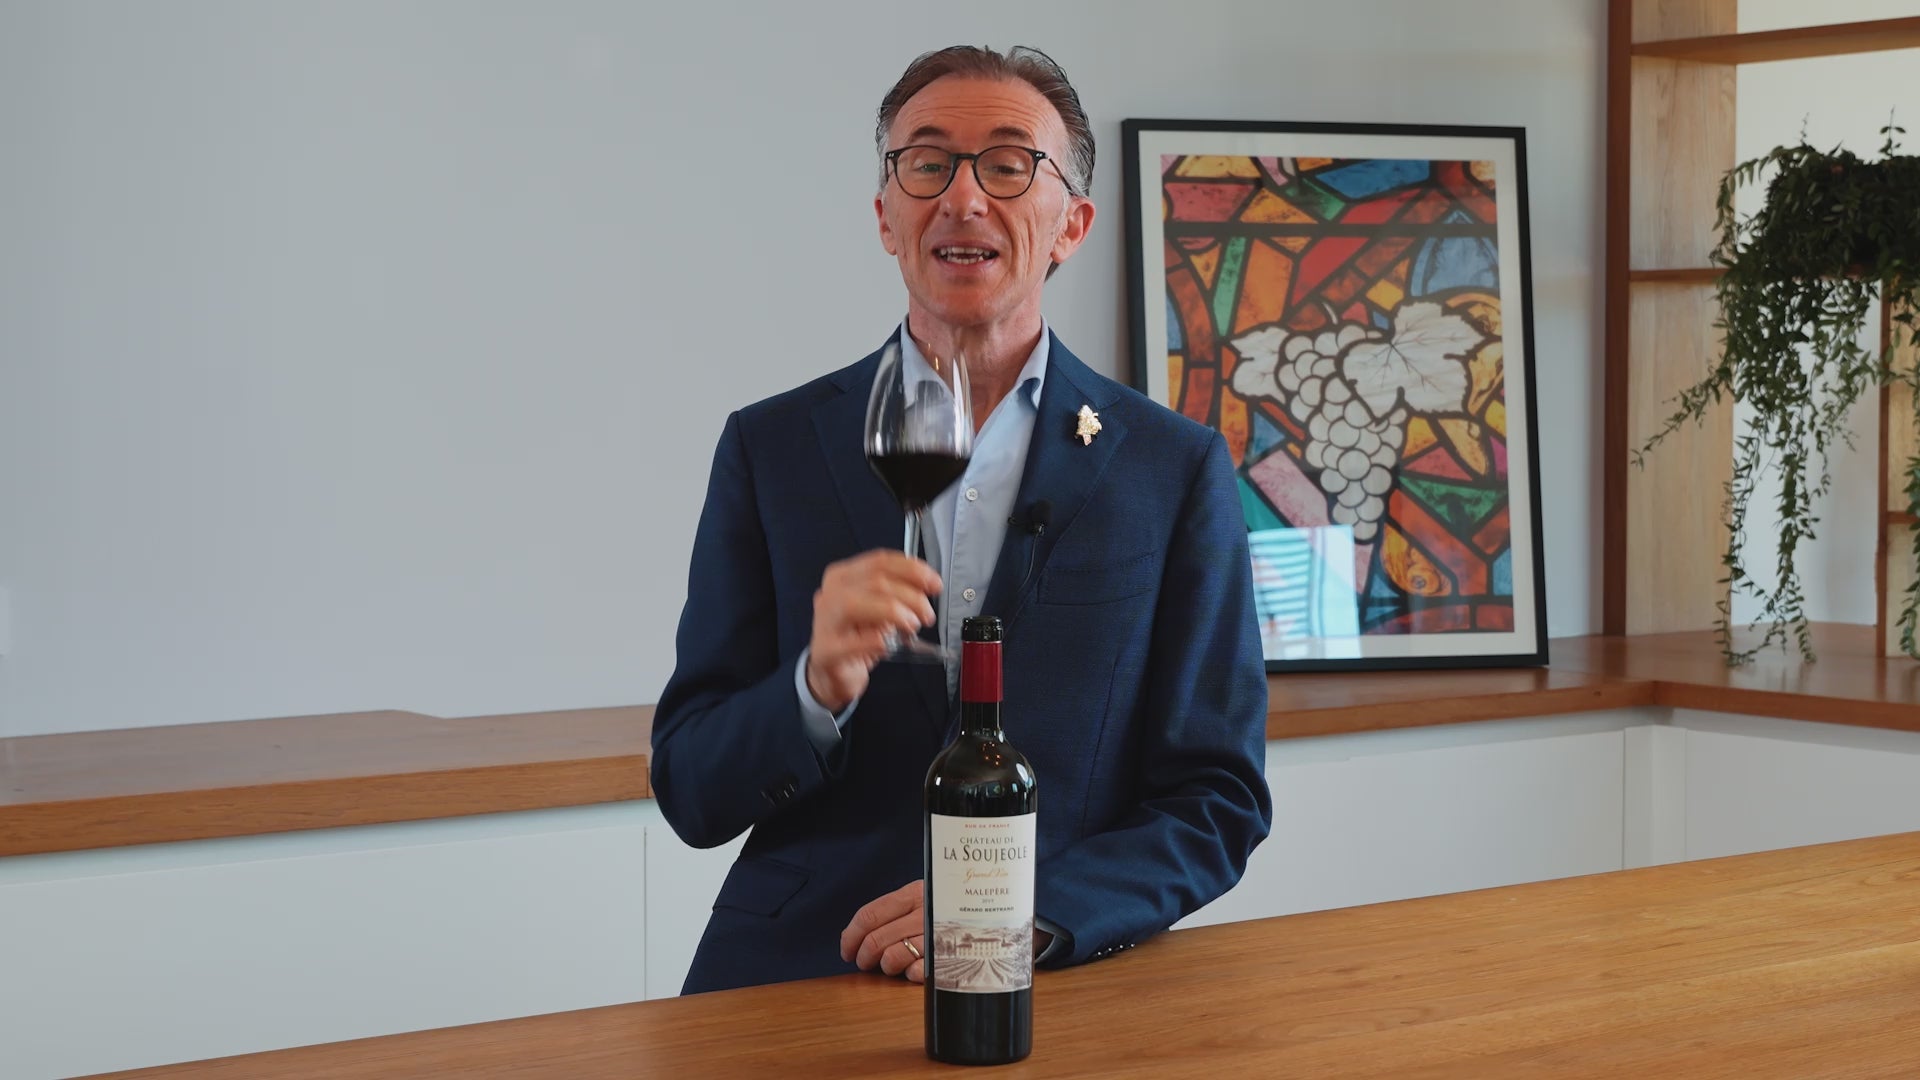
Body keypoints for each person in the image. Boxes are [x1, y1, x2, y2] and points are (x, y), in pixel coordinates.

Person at [650, 44, 1271, 995]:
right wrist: (812, 688)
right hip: (801, 967)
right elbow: (690, 789)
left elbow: (1217, 800)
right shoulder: (769, 449)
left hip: (1050, 978)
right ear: (886, 216)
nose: (964, 198)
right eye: (928, 163)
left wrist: (1026, 912)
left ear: (1070, 225)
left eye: (1009, 166)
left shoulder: (1173, 468)